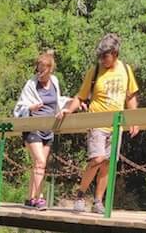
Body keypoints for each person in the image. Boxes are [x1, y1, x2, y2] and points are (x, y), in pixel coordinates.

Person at [56, 33, 139, 214]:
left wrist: (134, 120)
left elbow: (130, 96)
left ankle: (98, 201)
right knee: (97, 159)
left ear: (115, 54)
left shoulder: (125, 70)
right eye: (100, 56)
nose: (102, 60)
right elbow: (81, 96)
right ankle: (80, 195)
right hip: (97, 121)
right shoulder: (94, 71)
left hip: (116, 125)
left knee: (108, 164)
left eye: (105, 56)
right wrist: (68, 110)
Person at [14, 50, 71, 210]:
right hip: (32, 127)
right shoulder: (31, 84)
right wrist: (30, 107)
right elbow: (19, 107)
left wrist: (71, 103)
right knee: (40, 162)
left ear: (50, 69)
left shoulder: (54, 81)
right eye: (38, 69)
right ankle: (39, 198)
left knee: (39, 164)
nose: (40, 72)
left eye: (43, 69)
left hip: (48, 128)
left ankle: (30, 198)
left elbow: (57, 101)